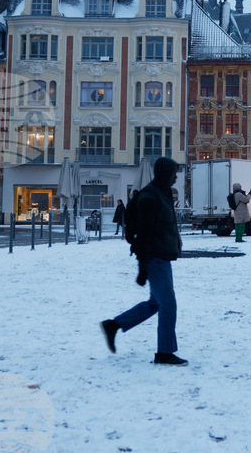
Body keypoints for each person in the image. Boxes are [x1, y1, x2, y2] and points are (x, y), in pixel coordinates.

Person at [100, 157, 186, 366]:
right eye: (174, 173)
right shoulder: (150, 196)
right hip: (155, 258)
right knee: (168, 304)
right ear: (165, 173)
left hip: (161, 256)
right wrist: (143, 266)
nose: (176, 177)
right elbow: (145, 234)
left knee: (156, 302)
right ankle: (164, 352)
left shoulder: (162, 193)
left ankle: (113, 325)